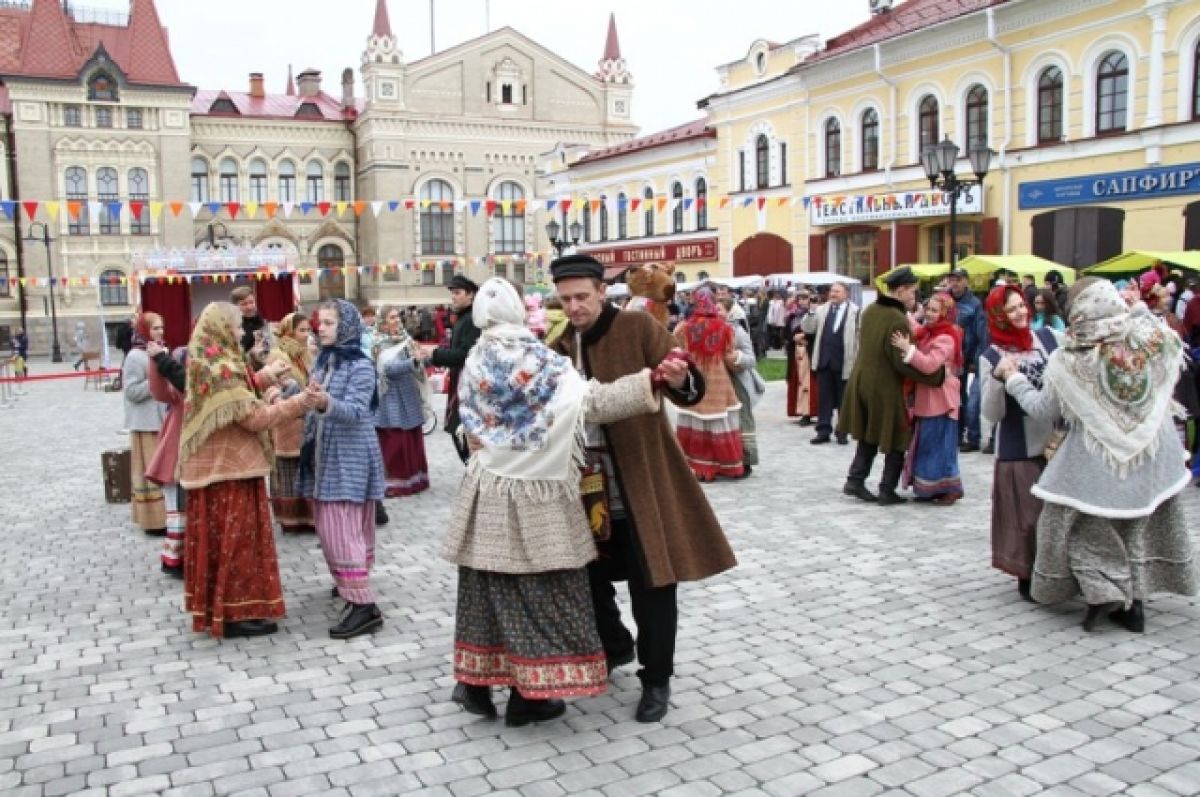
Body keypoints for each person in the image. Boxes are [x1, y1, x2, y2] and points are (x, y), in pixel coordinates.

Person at [443, 278, 664, 726]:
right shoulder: (540, 359)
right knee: (543, 592)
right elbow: (591, 404)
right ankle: (532, 696)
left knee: (486, 589)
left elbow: (470, 424)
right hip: (537, 494)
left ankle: (477, 684)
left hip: (487, 491)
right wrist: (648, 382)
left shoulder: (475, 359)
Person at [551, 254, 737, 723]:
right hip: (582, 489)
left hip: (641, 480)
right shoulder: (556, 343)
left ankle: (656, 678)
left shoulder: (636, 328)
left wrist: (682, 378)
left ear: (600, 291)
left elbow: (685, 380)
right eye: (565, 298)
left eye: (581, 297)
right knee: (585, 577)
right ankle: (615, 645)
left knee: (652, 582)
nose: (573, 307)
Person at [997, 278, 1198, 631]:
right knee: (1136, 521)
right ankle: (1133, 602)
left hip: (1098, 458)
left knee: (1074, 522)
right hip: (1153, 451)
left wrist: (1014, 379)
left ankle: (1106, 591)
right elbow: (1167, 339)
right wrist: (1136, 308)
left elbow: (1043, 409)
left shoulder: (1068, 361)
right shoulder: (1148, 339)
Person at [177, 303, 313, 638]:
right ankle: (236, 613)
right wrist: (300, 402)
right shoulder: (220, 367)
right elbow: (253, 418)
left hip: (224, 469)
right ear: (222, 329)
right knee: (236, 544)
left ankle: (225, 608)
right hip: (229, 473)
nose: (242, 335)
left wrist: (264, 378)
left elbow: (239, 393)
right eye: (237, 328)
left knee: (228, 543)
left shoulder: (211, 358)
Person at [297, 299, 388, 640]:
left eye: (329, 323)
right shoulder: (325, 361)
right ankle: (351, 584)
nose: (320, 328)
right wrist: (296, 394)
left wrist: (324, 402)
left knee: (341, 526)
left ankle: (365, 606)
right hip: (326, 453)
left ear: (347, 327)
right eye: (320, 322)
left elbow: (354, 412)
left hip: (349, 456)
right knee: (336, 524)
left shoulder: (361, 367)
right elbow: (314, 398)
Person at [979, 284, 1062, 602]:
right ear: (998, 316)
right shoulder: (991, 355)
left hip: (1056, 441)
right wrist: (1000, 381)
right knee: (1029, 517)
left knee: (1057, 513)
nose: (1020, 313)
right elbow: (990, 413)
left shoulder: (1049, 340)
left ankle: (1059, 572)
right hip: (1019, 446)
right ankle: (1028, 573)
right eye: (1011, 309)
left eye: (1021, 306)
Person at [839, 266, 937, 505]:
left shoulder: (871, 310)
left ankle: (855, 479)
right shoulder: (896, 319)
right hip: (884, 386)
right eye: (912, 292)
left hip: (862, 380)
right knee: (897, 434)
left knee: (869, 433)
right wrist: (936, 376)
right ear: (901, 290)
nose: (914, 297)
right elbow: (901, 361)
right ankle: (887, 489)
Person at [890, 292, 964, 504]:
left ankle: (950, 488)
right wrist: (903, 309)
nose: (929, 314)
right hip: (929, 397)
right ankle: (929, 488)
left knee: (942, 446)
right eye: (928, 309)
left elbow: (930, 364)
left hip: (941, 398)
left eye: (934, 310)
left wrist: (908, 350)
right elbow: (915, 329)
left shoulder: (947, 336)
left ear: (945, 313)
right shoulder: (929, 332)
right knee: (928, 444)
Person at [672, 288, 744, 481]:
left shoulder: (683, 327)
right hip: (719, 381)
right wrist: (739, 361)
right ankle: (721, 465)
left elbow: (678, 350)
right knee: (718, 423)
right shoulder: (726, 328)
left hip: (695, 379)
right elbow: (730, 357)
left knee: (695, 422)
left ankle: (697, 467)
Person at [265, 312, 316, 533]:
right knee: (289, 470)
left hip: (306, 417)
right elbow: (271, 385)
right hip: (287, 419)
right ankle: (291, 519)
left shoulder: (305, 355)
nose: (306, 335)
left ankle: (309, 517)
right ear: (289, 332)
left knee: (306, 467)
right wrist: (284, 394)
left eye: (308, 330)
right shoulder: (279, 355)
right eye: (301, 330)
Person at [373, 305, 430, 498]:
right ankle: (395, 483)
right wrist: (412, 362)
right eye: (391, 318)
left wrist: (423, 359)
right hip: (390, 397)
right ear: (382, 322)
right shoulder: (379, 342)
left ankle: (415, 479)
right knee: (395, 439)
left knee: (412, 436)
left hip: (408, 394)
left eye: (397, 317)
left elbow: (418, 363)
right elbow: (387, 369)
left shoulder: (406, 340)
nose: (396, 320)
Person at [425, 276, 481, 463]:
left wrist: (434, 354)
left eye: (458, 293)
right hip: (459, 381)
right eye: (452, 293)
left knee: (462, 433)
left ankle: (475, 476)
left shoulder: (472, 319)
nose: (453, 297)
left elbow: (464, 355)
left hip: (468, 386)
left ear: (471, 295)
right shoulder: (464, 318)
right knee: (457, 431)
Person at [145, 338, 188, 577]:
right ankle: (174, 559)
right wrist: (155, 360)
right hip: (177, 450)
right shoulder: (178, 390)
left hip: (195, 452)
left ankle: (185, 556)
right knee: (178, 508)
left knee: (188, 509)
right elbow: (160, 391)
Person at [122, 312, 167, 535]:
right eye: (155, 328)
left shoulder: (161, 351)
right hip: (146, 423)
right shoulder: (135, 356)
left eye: (161, 328)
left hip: (162, 421)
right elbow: (131, 391)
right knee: (151, 473)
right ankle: (153, 521)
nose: (160, 332)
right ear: (144, 330)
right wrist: (156, 379)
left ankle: (168, 516)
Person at [802, 281, 859, 445]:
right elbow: (808, 329)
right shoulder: (821, 310)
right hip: (824, 360)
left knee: (843, 399)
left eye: (837, 291)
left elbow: (858, 340)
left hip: (844, 361)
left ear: (846, 294)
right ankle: (823, 430)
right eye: (832, 291)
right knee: (824, 398)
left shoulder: (855, 312)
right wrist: (811, 312)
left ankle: (842, 431)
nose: (833, 294)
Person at [719, 296, 764, 474]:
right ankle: (726, 461)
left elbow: (751, 359)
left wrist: (735, 357)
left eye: (720, 309)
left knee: (742, 423)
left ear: (729, 312)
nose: (716, 312)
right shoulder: (710, 330)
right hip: (719, 386)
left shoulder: (737, 331)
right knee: (724, 424)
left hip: (738, 383)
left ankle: (746, 461)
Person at [947, 268, 987, 452]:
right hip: (946, 358)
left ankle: (970, 437)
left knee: (965, 398)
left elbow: (981, 334)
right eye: (952, 280)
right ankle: (954, 434)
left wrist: (975, 359)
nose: (954, 283)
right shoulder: (944, 300)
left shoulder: (975, 304)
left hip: (966, 357)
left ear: (965, 282)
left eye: (958, 280)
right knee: (951, 397)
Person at [230, 286, 266, 359]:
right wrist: (251, 353)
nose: (249, 307)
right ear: (235, 306)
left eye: (251, 302)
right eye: (244, 304)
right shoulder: (233, 325)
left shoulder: (261, 321)